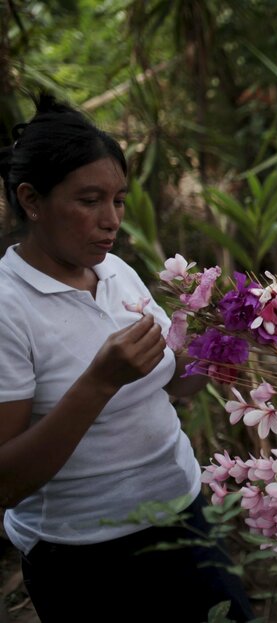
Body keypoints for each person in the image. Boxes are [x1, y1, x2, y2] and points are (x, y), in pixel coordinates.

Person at [0, 95, 253, 622]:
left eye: (118, 200)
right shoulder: (8, 306)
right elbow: (7, 482)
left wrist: (216, 349)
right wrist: (98, 383)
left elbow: (165, 383)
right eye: (90, 200)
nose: (111, 220)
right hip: (83, 555)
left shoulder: (115, 271)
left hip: (183, 515)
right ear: (31, 199)